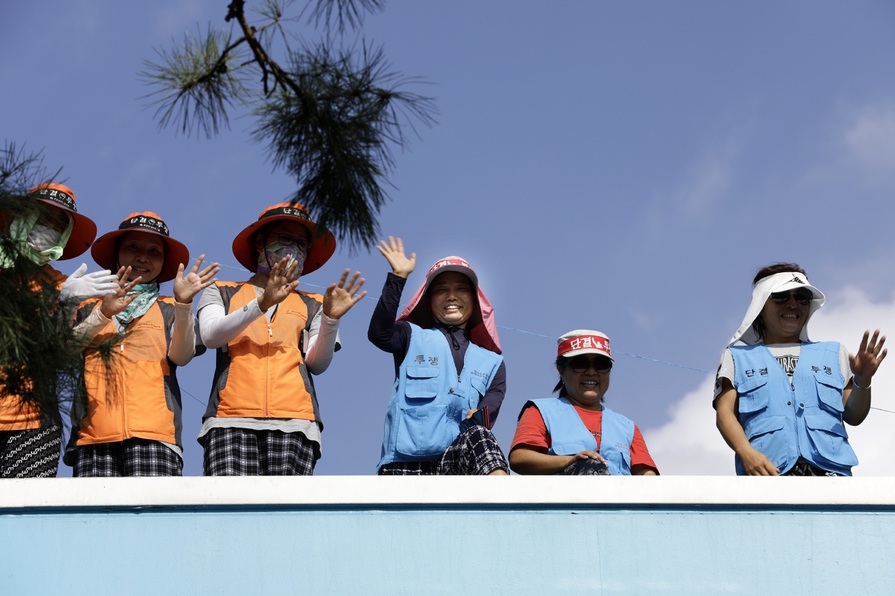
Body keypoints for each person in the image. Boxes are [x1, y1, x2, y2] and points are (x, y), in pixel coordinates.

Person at [197, 203, 365, 476]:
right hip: (229, 419)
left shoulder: (315, 304)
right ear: (260, 243)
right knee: (231, 515)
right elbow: (211, 335)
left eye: (301, 243)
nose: (294, 249)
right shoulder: (222, 291)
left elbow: (317, 363)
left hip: (295, 422)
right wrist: (260, 304)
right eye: (285, 239)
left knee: (286, 517)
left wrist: (331, 320)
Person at [64, 211, 218, 476]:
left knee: (153, 519)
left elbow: (181, 357)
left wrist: (183, 305)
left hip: (156, 437)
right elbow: (65, 351)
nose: (143, 257)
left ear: (164, 262)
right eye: (133, 247)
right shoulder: (88, 306)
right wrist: (103, 314)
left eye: (154, 251)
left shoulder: (171, 309)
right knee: (96, 519)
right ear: (116, 254)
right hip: (93, 439)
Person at [714, 263, 887, 476]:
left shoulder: (833, 353)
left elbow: (854, 416)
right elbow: (724, 413)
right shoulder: (737, 357)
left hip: (831, 476)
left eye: (802, 297)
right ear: (761, 304)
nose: (792, 304)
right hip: (767, 475)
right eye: (781, 296)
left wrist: (863, 380)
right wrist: (746, 453)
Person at [0, 183, 118, 478]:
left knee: (24, 518)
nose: (47, 227)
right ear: (19, 217)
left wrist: (74, 306)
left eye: (56, 223)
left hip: (31, 424)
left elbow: (60, 351)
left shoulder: (63, 285)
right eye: (41, 216)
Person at [369, 237, 509, 475]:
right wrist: (398, 278)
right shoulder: (410, 336)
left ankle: (505, 505)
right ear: (428, 302)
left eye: (461, 289)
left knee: (480, 436)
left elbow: (493, 400)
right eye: (442, 290)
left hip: (454, 464)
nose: (451, 296)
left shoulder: (492, 362)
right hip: (403, 465)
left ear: (475, 303)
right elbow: (379, 334)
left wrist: (482, 411)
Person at [509, 330, 659, 476]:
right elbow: (520, 458)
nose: (591, 372)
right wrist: (571, 461)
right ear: (561, 370)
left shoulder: (628, 428)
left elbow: (648, 476)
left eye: (601, 364)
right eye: (580, 364)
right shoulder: (541, 411)